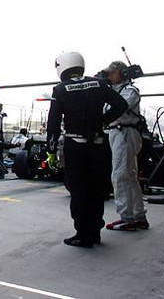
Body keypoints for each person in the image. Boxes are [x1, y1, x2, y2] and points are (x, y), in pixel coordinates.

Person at [46, 51, 128, 248]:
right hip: (99, 144)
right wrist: (102, 121)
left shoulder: (60, 89)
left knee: (79, 189)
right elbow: (121, 104)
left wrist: (50, 150)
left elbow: (53, 123)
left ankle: (82, 233)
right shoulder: (99, 83)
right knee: (96, 189)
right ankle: (95, 232)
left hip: (75, 145)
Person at [104, 61, 148, 232]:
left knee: (120, 174)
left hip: (125, 132)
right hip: (116, 133)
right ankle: (139, 215)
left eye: (112, 73)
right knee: (130, 176)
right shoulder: (114, 91)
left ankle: (126, 217)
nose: (109, 76)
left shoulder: (130, 91)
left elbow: (119, 107)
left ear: (121, 73)